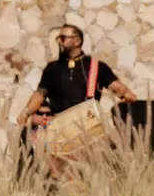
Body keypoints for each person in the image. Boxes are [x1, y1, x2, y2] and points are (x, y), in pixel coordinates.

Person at [18, 23, 135, 172]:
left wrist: (126, 93)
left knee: (110, 163)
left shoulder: (96, 67)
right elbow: (39, 95)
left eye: (63, 37)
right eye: (58, 38)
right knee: (45, 164)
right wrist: (27, 112)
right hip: (58, 128)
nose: (59, 41)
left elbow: (115, 86)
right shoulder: (52, 69)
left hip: (87, 128)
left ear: (77, 41)